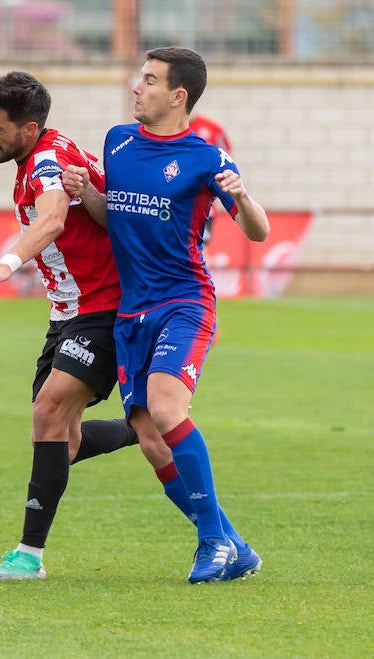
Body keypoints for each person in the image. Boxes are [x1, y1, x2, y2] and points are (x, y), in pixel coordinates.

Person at [62, 47, 268, 583]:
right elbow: (116, 218)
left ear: (178, 96)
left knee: (166, 406)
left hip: (184, 302)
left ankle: (211, 544)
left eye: (149, 80)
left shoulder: (207, 159)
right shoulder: (117, 141)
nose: (137, 87)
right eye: (139, 77)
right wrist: (86, 196)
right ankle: (232, 546)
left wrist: (243, 198)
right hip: (132, 312)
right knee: (151, 440)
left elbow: (258, 231)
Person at [0, 71, 155, 580]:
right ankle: (141, 426)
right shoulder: (43, 150)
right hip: (67, 313)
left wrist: (3, 266)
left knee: (47, 412)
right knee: (59, 440)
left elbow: (50, 220)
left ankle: (28, 557)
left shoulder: (47, 159)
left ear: (27, 129)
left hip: (105, 307)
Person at [188, 113, 232, 243]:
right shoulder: (169, 128)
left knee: (200, 249)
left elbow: (226, 160)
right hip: (175, 202)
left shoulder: (213, 128)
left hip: (204, 206)